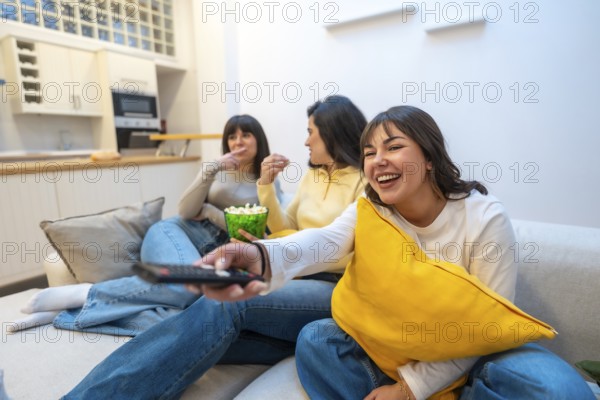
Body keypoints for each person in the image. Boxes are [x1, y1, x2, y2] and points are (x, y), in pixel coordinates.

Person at [60, 95, 368, 399]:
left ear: (333, 132)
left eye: (310, 131)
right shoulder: (312, 176)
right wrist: (266, 185)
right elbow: (284, 224)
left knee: (224, 303)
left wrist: (271, 254)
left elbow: (338, 247)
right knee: (204, 325)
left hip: (329, 285)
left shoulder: (364, 183)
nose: (305, 142)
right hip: (290, 273)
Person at [10, 114, 282, 336]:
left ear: (259, 140)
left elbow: (262, 230)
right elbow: (186, 211)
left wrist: (210, 211)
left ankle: (70, 311)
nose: (238, 142)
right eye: (232, 136)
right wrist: (210, 169)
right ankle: (80, 295)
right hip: (173, 232)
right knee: (189, 287)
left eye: (246, 134)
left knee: (192, 303)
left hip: (211, 252)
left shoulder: (268, 180)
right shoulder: (218, 171)